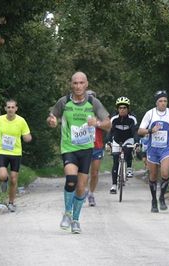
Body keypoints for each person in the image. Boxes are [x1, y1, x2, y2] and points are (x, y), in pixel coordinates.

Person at [47, 72, 110, 233]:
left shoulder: (93, 103)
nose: (78, 86)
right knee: (71, 179)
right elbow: (52, 117)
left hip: (86, 149)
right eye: (75, 83)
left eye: (81, 83)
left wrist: (97, 123)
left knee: (81, 187)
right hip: (68, 147)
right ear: (71, 84)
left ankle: (75, 220)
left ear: (86, 84)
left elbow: (108, 124)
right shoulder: (64, 102)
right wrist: (52, 121)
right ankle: (67, 213)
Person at [138, 90, 169, 213]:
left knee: (165, 173)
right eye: (161, 101)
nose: (163, 103)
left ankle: (162, 197)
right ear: (156, 103)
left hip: (166, 148)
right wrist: (151, 131)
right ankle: (153, 201)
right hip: (153, 148)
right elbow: (140, 131)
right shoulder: (150, 114)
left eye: (165, 101)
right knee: (152, 175)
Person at [0, 99, 32, 212]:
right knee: (2, 175)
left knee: (14, 180)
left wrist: (27, 138)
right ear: (5, 109)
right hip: (3, 152)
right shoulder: (0, 119)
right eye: (8, 107)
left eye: (12, 107)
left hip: (15, 153)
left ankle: (11, 202)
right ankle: (4, 181)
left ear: (16, 109)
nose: (10, 109)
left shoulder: (21, 121)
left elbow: (27, 135)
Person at [106, 96, 139, 194]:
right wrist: (108, 142)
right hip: (117, 139)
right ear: (117, 109)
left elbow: (135, 132)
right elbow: (110, 132)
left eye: (124, 108)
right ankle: (114, 185)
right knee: (115, 160)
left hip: (128, 139)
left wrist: (137, 142)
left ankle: (129, 168)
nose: (122, 110)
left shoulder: (132, 119)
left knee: (127, 149)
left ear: (128, 109)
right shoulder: (114, 119)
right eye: (120, 108)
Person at [85, 90, 111, 207]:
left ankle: (91, 194)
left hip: (97, 146)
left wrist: (97, 123)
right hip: (82, 146)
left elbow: (108, 126)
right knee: (82, 173)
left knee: (94, 173)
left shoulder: (100, 113)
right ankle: (82, 192)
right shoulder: (79, 112)